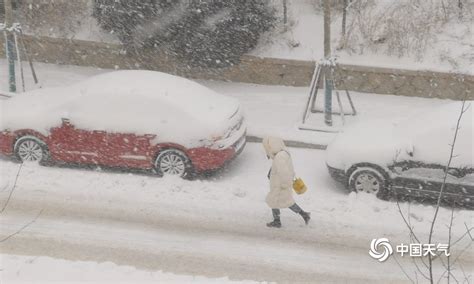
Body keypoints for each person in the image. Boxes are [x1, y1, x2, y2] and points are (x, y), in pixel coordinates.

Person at [262, 136, 310, 228]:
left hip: (280, 185)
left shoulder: (279, 157)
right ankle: (303, 215)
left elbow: (283, 172)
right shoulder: (282, 153)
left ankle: (278, 221)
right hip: (279, 184)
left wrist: (284, 184)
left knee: (281, 202)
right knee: (282, 201)